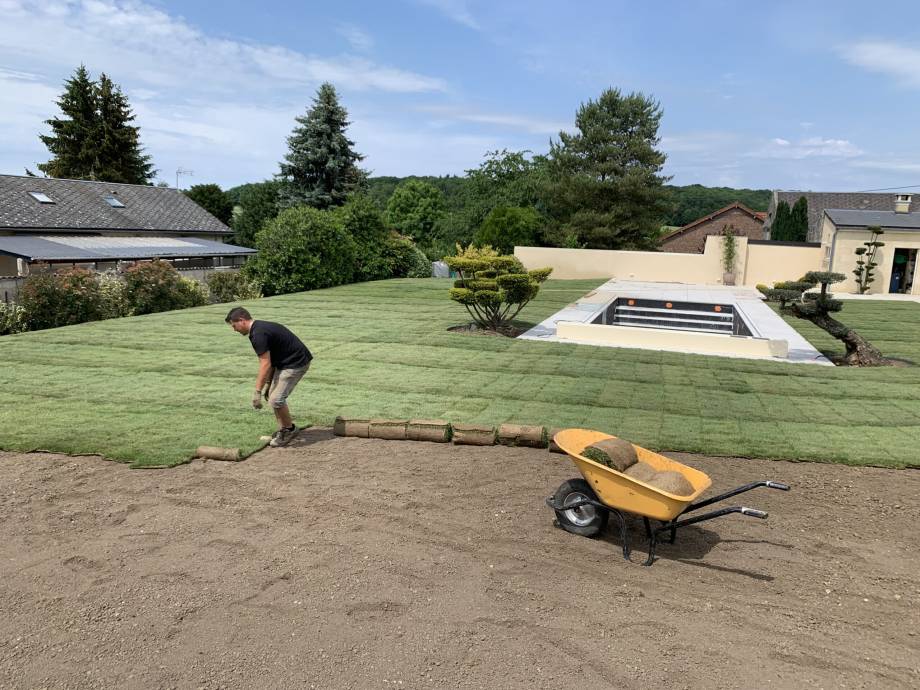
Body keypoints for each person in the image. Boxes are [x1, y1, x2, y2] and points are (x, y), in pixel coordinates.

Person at [225, 307, 312, 447]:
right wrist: (268, 385)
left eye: (234, 326)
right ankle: (283, 430)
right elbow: (271, 361)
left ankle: (289, 430)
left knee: (276, 399)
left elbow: (265, 364)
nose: (234, 329)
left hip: (296, 363)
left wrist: (257, 392)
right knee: (272, 396)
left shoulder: (258, 334)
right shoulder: (259, 328)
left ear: (241, 320)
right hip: (285, 362)